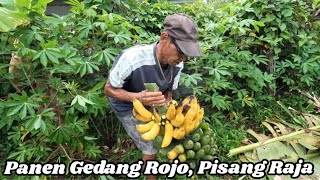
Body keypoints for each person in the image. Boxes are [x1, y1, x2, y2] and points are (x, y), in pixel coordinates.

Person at [104, 13, 202, 179]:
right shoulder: (132, 58)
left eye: (187, 54)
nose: (183, 58)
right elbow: (109, 89)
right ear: (164, 38)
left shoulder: (178, 64)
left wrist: (168, 99)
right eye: (181, 51)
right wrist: (138, 98)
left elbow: (169, 89)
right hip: (126, 105)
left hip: (152, 103)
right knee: (150, 148)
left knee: (162, 135)